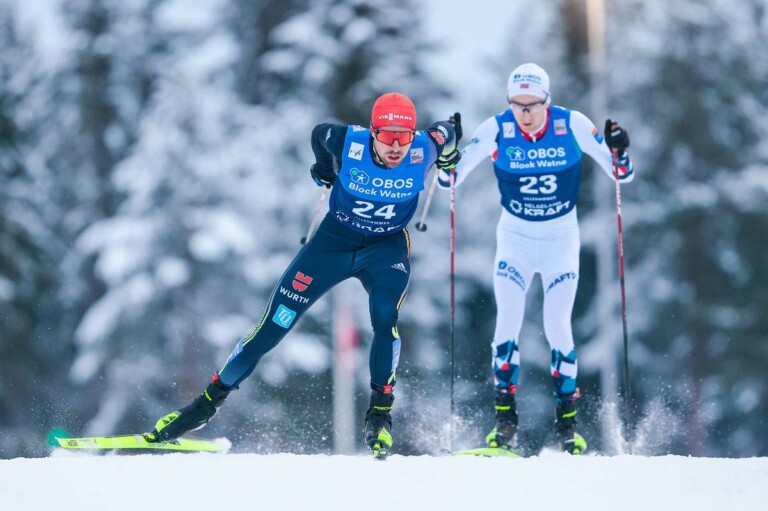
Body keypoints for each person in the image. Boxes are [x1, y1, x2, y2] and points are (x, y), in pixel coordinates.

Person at [143, 93, 461, 459]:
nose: (395, 146)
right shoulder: (349, 141)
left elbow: (448, 131)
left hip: (385, 249)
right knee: (272, 327)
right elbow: (318, 134)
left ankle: (379, 416)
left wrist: (452, 147)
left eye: (403, 136)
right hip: (332, 244)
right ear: (372, 131)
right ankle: (203, 407)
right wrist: (325, 169)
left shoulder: (424, 147)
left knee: (386, 318)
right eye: (387, 135)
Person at [438, 63, 633, 455]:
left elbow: (620, 175)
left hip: (561, 237)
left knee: (557, 324)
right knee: (507, 320)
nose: (524, 114)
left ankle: (568, 427)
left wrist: (620, 149)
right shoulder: (497, 128)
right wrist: (447, 152)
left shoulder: (571, 124)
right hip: (516, 238)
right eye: (517, 105)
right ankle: (505, 424)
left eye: (532, 105)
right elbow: (449, 180)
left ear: (547, 100)